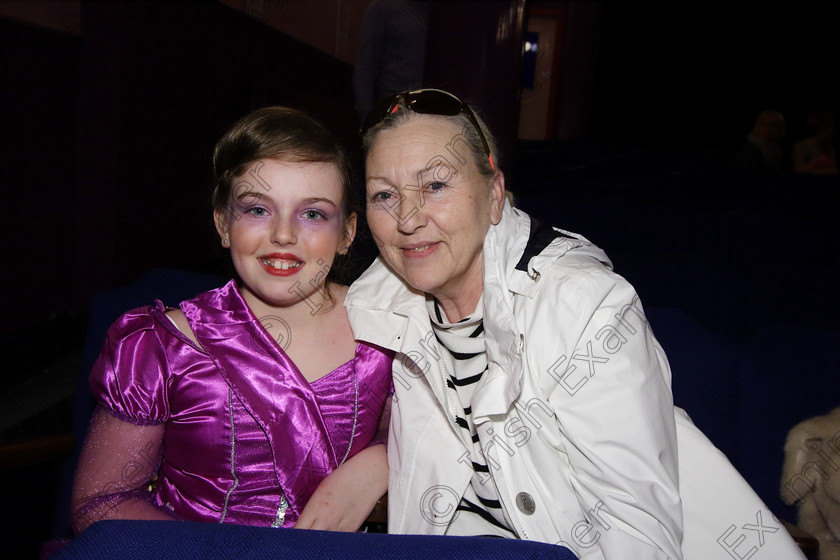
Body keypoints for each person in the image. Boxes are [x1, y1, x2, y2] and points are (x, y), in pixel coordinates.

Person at [345, 89, 805, 558]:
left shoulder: (586, 306)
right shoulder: (376, 308)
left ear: (495, 196)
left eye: (436, 186)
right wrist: (375, 458)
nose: (407, 218)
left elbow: (639, 538)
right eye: (385, 194)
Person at [70, 107, 393, 533]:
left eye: (312, 213)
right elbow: (100, 503)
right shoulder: (160, 347)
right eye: (258, 210)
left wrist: (379, 462)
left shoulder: (389, 332)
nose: (283, 234)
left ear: (347, 234)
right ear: (223, 223)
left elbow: (434, 447)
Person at [792, 111, 837, 175]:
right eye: (830, 128)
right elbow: (798, 170)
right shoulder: (800, 146)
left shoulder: (827, 146)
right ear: (821, 128)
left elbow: (835, 168)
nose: (832, 131)